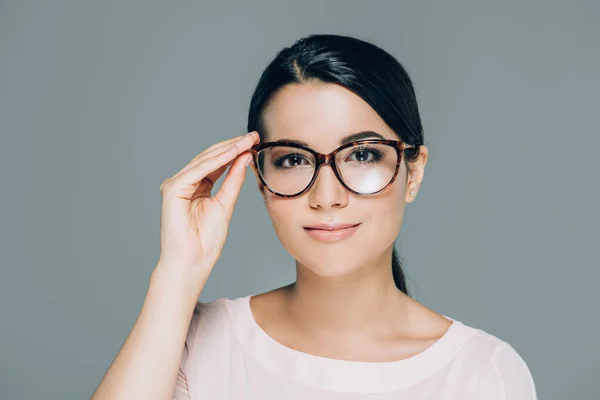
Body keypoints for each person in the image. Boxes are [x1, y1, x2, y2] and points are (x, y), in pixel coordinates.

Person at [91, 34, 537, 399]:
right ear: (261, 179)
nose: (327, 196)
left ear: (412, 171)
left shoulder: (483, 374)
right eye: (292, 160)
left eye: (362, 154)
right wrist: (178, 273)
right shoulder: (194, 343)